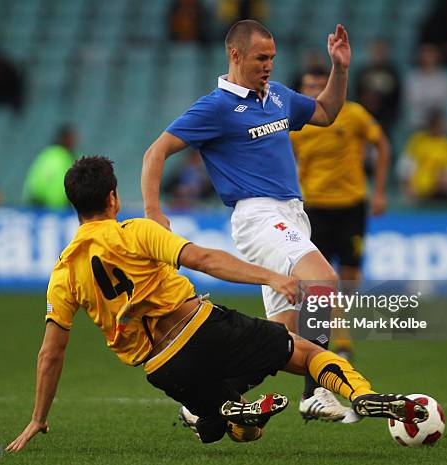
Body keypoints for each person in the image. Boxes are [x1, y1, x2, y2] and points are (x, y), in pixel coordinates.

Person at [5, 156, 428, 451]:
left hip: (162, 369)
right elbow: (205, 260)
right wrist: (270, 275)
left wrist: (39, 417)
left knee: (225, 428)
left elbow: (50, 353)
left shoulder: (63, 271)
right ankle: (362, 394)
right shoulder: (135, 232)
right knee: (307, 352)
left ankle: (229, 413)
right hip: (202, 328)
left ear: (74, 205)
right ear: (113, 198)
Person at [141, 20, 354, 422]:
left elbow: (325, 112)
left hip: (292, 215)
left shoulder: (277, 97)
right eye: (261, 57)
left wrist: (339, 68)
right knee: (322, 279)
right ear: (235, 55)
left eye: (272, 57)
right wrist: (154, 214)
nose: (269, 65)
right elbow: (156, 152)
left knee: (278, 341)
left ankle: (202, 402)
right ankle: (317, 394)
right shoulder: (216, 107)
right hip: (257, 214)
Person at [291, 65, 391, 357]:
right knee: (319, 278)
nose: (317, 92)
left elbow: (382, 145)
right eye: (310, 86)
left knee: (349, 279)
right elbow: (284, 162)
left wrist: (380, 192)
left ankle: (332, 330)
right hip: (315, 208)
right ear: (302, 90)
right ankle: (337, 341)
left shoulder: (354, 114)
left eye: (322, 86)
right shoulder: (297, 124)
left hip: (351, 206)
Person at [398, 110, 447, 203]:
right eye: (439, 124)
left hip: (440, 192)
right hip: (419, 193)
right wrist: (408, 187)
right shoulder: (418, 141)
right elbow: (405, 166)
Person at [23, 124, 77, 209]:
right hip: (55, 208)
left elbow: (34, 184)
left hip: (36, 205)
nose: (75, 141)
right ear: (65, 139)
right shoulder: (63, 157)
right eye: (72, 138)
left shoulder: (46, 154)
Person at [354, 39, 401, 136]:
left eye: (381, 51)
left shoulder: (392, 73)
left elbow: (397, 96)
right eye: (376, 51)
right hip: (365, 116)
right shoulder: (363, 72)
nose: (378, 54)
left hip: (385, 119)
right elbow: (357, 94)